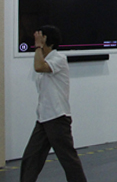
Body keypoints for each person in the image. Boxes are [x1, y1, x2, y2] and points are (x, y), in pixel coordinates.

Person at [21, 25, 88, 182]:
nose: (36, 39)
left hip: (58, 117)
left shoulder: (59, 59)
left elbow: (39, 67)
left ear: (46, 40)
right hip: (43, 118)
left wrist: (38, 46)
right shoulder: (44, 59)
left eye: (40, 36)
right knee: (31, 157)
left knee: (68, 159)